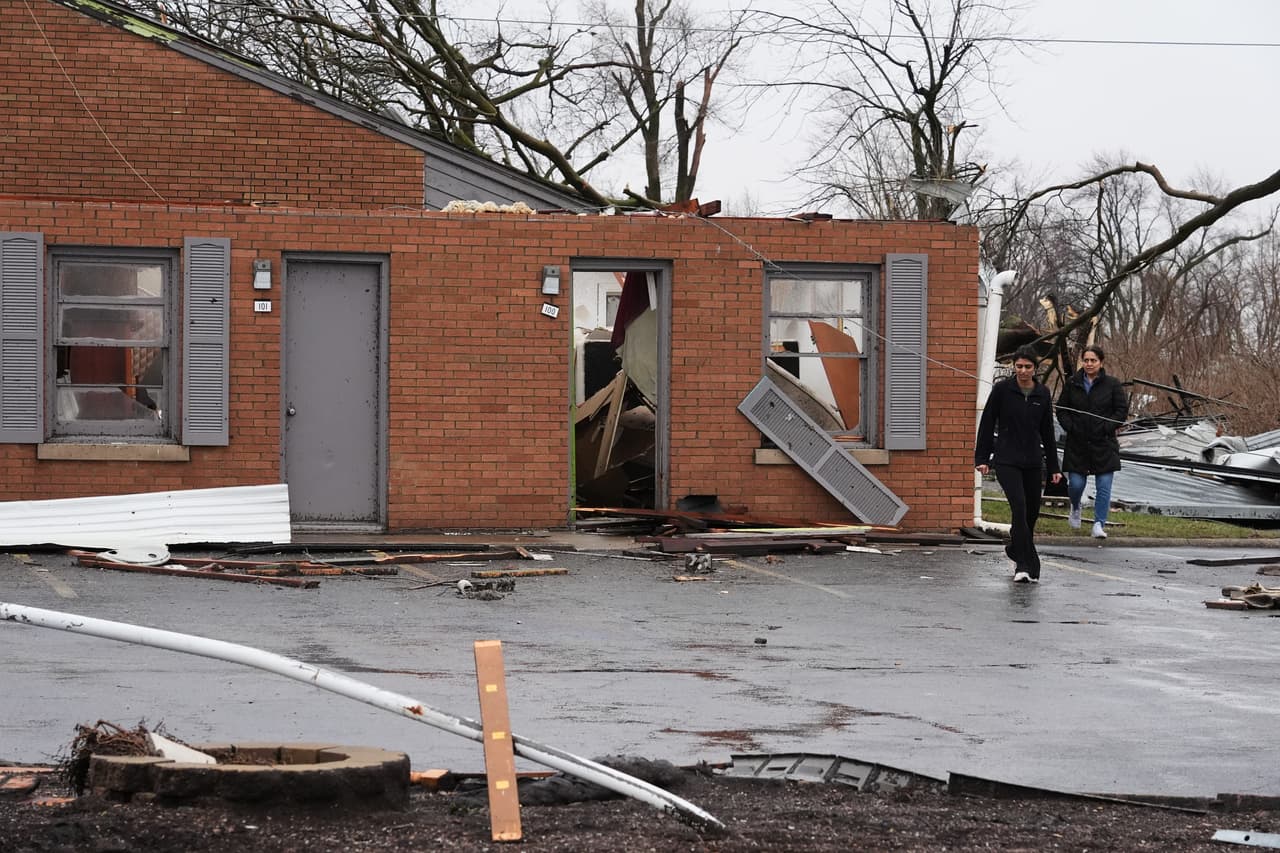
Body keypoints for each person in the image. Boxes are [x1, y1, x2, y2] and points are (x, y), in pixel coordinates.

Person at [975, 346, 1063, 583]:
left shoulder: (1042, 394)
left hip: (1033, 460)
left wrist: (1054, 467)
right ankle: (1025, 565)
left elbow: (1047, 432)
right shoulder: (1002, 390)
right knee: (1020, 507)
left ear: (1035, 368)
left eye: (1028, 367)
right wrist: (982, 458)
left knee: (1031, 513)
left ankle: (1016, 548)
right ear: (1014, 367)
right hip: (1006, 459)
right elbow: (987, 423)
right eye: (1019, 366)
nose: (1023, 371)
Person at [1057, 345, 1129, 539]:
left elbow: (1121, 411)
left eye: (1093, 360)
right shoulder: (1073, 383)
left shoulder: (1112, 384)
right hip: (1077, 443)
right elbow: (1062, 409)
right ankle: (1075, 507)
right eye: (1086, 360)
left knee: (1104, 487)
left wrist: (1106, 427)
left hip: (1104, 443)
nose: (1089, 364)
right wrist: (1071, 427)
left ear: (1101, 362)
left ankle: (1098, 524)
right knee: (1075, 484)